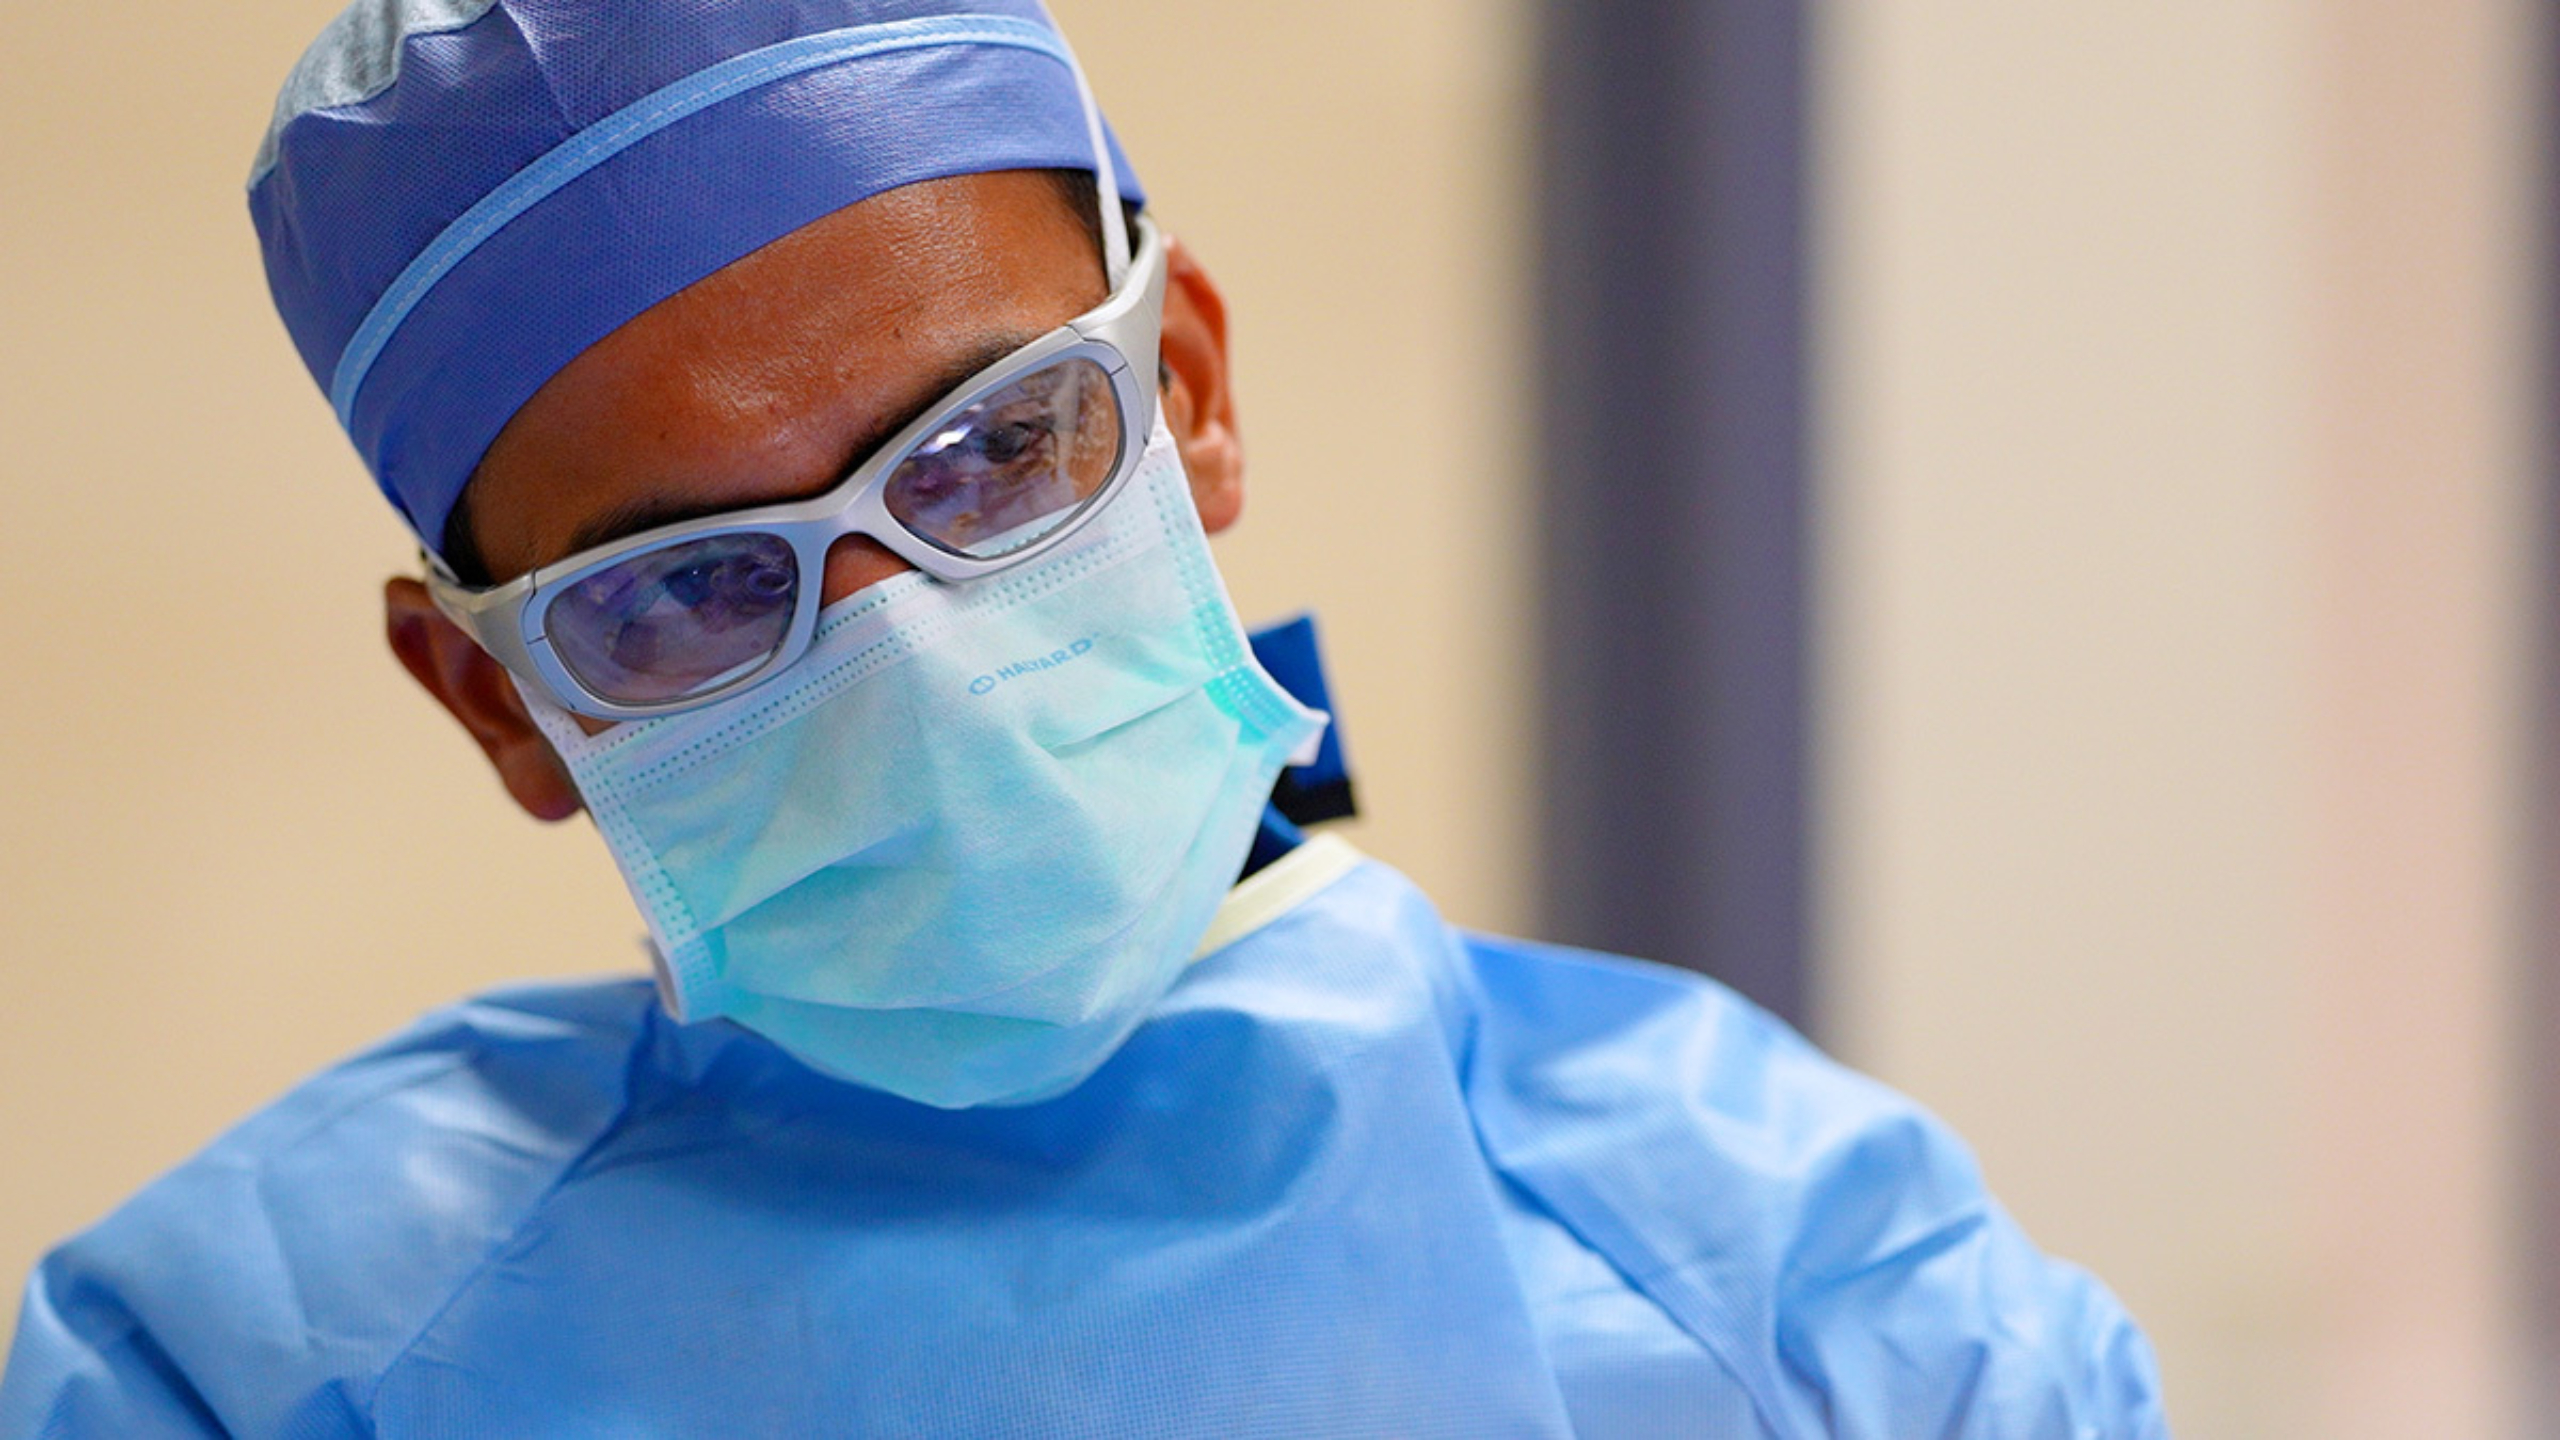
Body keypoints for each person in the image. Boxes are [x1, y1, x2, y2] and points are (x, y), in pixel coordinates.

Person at [0, 2, 2169, 1435]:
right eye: (682, 588)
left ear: (1189, 394)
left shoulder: (1807, 1304)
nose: (909, 657)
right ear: (500, 699)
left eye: (986, 454)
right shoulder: (255, 1368)